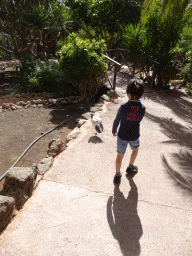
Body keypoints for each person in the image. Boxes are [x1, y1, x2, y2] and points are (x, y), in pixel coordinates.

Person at [112, 78, 146, 184]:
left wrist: (114, 130)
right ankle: (131, 166)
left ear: (127, 93)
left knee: (119, 156)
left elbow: (117, 120)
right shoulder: (142, 108)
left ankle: (117, 175)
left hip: (122, 135)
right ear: (141, 94)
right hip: (134, 135)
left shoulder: (123, 107)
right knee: (135, 150)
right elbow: (138, 119)